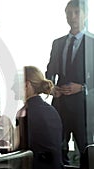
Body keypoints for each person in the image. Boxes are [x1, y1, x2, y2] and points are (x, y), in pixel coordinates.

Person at [0, 66, 64, 169]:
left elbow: (14, 151)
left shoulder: (24, 112)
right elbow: (32, 143)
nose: (12, 88)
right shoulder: (51, 110)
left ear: (26, 85)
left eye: (15, 83)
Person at [45, 0, 94, 165]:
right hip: (60, 107)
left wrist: (82, 87)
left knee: (87, 153)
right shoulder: (57, 43)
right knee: (57, 151)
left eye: (76, 13)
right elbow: (50, 72)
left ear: (85, 15)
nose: (72, 17)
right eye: (68, 13)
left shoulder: (93, 43)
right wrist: (52, 88)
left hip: (84, 109)